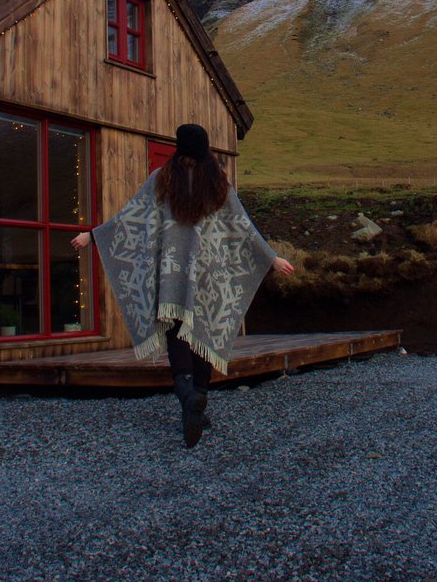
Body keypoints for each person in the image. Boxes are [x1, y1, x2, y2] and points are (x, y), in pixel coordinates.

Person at [72, 123, 293, 446]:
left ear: (179, 147)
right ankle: (198, 399)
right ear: (205, 149)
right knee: (203, 332)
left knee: (177, 333)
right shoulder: (218, 183)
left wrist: (92, 235)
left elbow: (130, 218)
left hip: (171, 273)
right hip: (208, 276)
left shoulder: (162, 179)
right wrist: (271, 258)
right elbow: (242, 226)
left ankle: (188, 395)